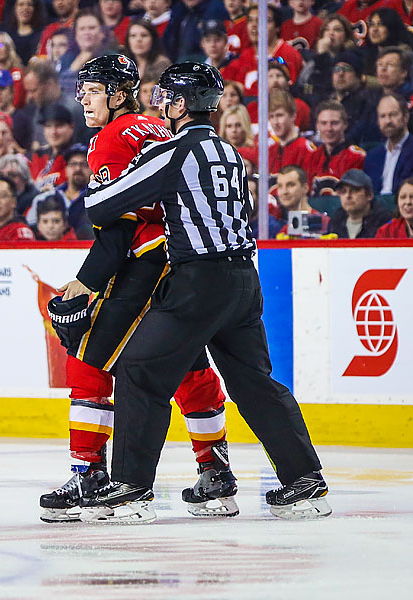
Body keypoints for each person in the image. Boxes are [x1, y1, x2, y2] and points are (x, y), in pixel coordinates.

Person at [81, 61, 331, 523]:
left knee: (139, 370)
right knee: (255, 383)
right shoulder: (232, 153)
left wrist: (111, 179)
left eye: (166, 97)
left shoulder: (174, 151)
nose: (159, 104)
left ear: (180, 103)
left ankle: (131, 490)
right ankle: (304, 479)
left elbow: (103, 203)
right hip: (243, 280)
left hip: (198, 282)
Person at [39, 55, 236, 524]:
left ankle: (89, 473)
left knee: (86, 356)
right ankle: (215, 471)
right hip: (186, 261)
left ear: (118, 94)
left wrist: (86, 283)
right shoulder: (158, 129)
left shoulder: (109, 138)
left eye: (91, 90)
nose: (82, 98)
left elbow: (116, 228)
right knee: (186, 363)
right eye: (81, 89)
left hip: (146, 262)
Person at [307, 101, 366, 195]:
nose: (329, 129)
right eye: (323, 123)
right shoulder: (312, 157)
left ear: (345, 124)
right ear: (317, 126)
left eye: (334, 123)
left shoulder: (355, 157)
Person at [364, 93, 413, 196]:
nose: (387, 121)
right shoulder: (372, 156)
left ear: (406, 117)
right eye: (383, 116)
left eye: (393, 115)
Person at [326, 169, 393, 238]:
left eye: (354, 191)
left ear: (369, 195)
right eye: (343, 191)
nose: (348, 196)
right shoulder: (336, 221)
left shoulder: (384, 221)